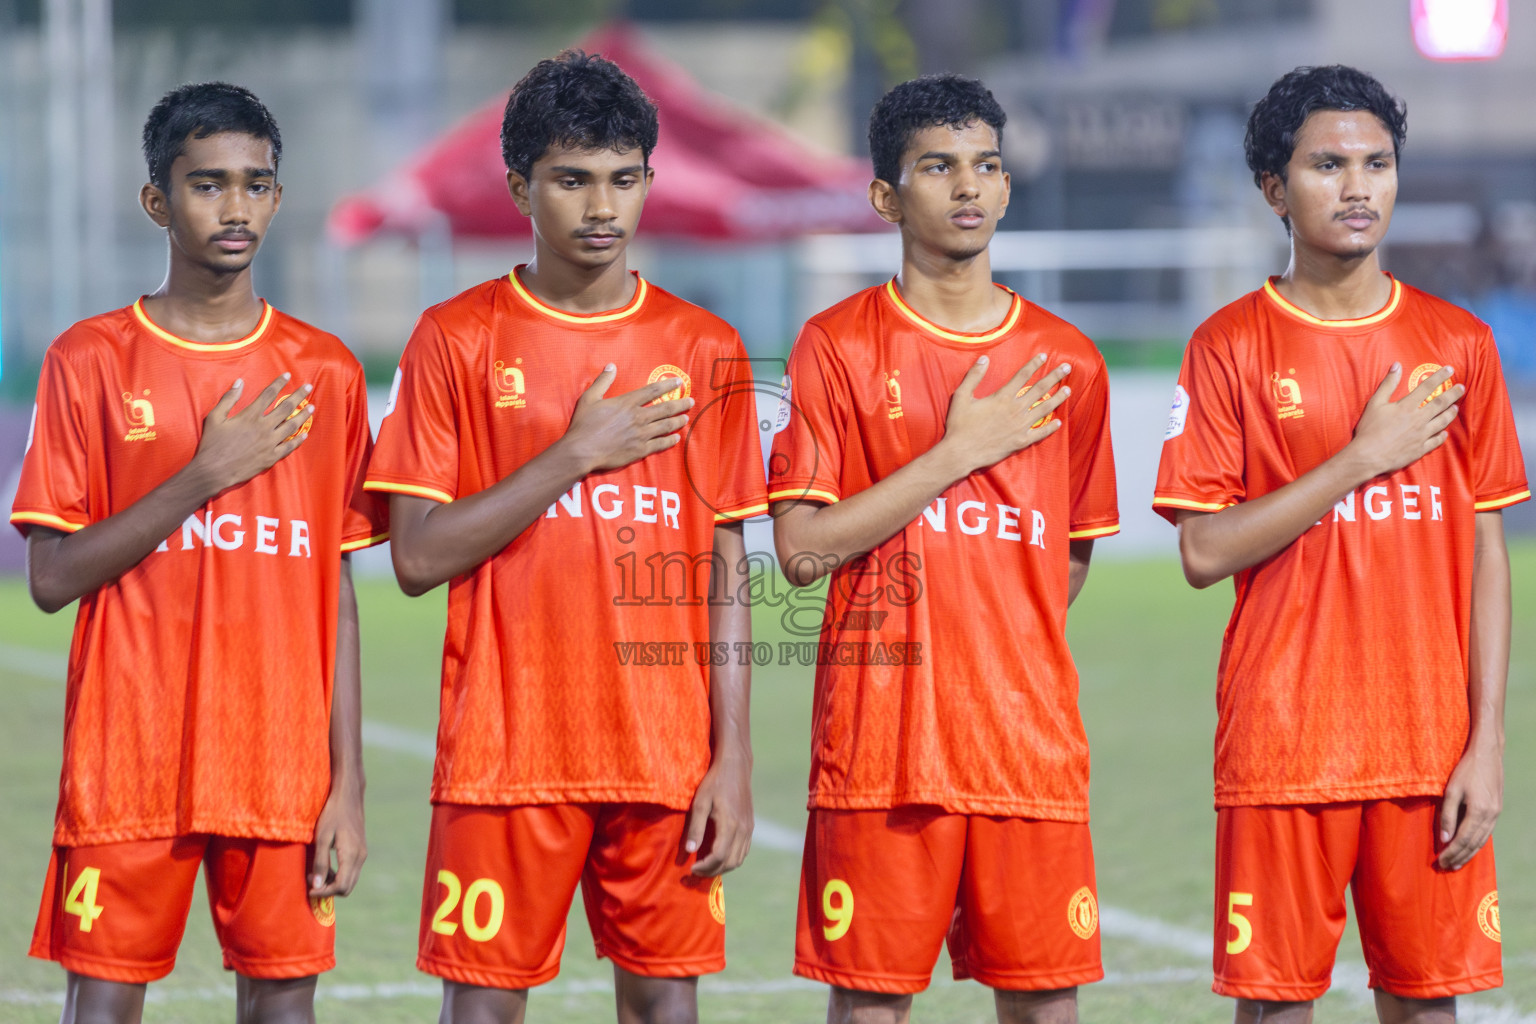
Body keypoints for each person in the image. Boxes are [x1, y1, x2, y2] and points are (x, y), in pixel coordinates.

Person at [365, 50, 765, 1024]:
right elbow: (415, 557)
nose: (602, 206)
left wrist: (734, 756)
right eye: (572, 179)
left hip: (666, 759)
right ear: (519, 187)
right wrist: (575, 453)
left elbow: (724, 571)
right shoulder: (454, 338)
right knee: (484, 1011)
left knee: (666, 1005)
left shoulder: (704, 348)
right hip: (504, 756)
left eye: (624, 178)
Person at [1153, 65, 1524, 1023]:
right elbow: (1202, 551)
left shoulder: (1461, 344)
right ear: (1275, 189)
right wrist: (1359, 460)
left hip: (1426, 751)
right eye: (1328, 164)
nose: (1358, 186)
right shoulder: (1228, 346)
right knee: (1275, 1009)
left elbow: (1488, 557)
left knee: (1429, 1009)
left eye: (1378, 163)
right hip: (1283, 746)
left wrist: (1485, 744)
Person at [13, 82, 387, 1023]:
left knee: (282, 1006)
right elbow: (52, 579)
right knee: (99, 1006)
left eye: (256, 185)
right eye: (207, 185)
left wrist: (348, 784)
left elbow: (333, 591)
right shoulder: (89, 361)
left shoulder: (326, 372)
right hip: (125, 763)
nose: (235, 208)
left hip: (280, 771)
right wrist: (200, 475)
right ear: (156, 201)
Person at [770, 73, 1119, 1024]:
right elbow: (801, 549)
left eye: (986, 165)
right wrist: (959, 452)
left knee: (1047, 1005)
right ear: (887, 195)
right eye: (938, 166)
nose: (968, 186)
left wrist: (996, 639)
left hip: (1028, 746)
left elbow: (1067, 559)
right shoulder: (835, 346)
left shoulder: (1068, 361)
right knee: (872, 1008)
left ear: (1006, 187)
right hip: (880, 752)